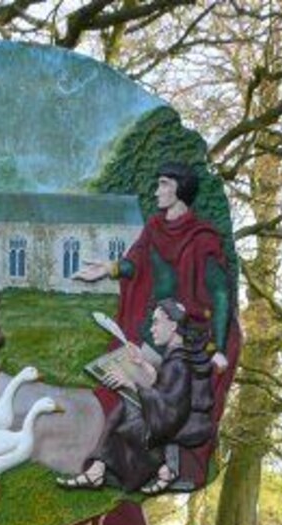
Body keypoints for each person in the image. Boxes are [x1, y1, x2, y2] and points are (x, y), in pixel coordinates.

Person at [69, 161, 241, 491]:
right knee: (128, 399)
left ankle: (159, 469)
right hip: (157, 328)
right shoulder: (153, 228)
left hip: (186, 336)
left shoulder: (202, 238)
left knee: (160, 404)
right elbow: (137, 263)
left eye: (163, 184)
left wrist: (219, 348)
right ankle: (107, 469)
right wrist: (110, 269)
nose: (157, 191)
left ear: (180, 189)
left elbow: (220, 292)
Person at [57, 299, 213, 493]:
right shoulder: (177, 355)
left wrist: (131, 384)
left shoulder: (178, 363)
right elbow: (164, 386)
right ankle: (98, 470)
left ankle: (159, 469)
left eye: (156, 322)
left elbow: (171, 408)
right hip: (172, 415)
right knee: (125, 406)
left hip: (182, 422)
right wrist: (141, 363)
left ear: (173, 326)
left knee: (128, 423)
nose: (152, 328)